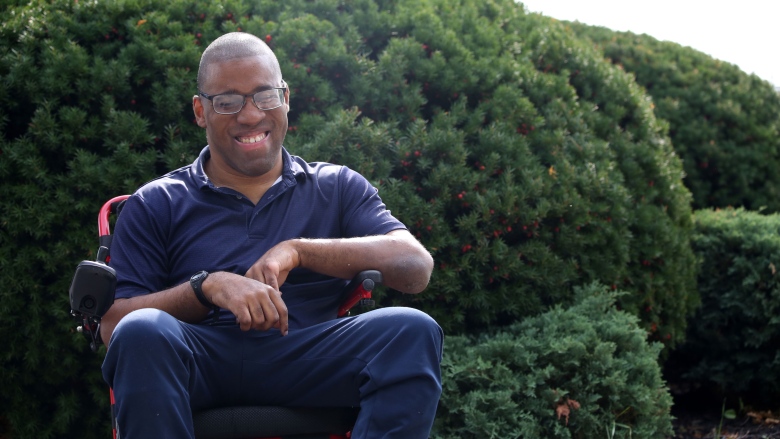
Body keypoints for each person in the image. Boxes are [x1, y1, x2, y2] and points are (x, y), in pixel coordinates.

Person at [100, 32, 443, 439]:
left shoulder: (336, 186)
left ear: (286, 97)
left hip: (308, 356)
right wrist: (207, 287)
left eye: (265, 95)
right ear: (200, 110)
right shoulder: (156, 202)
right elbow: (113, 327)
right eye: (227, 101)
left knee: (412, 330)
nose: (250, 116)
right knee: (142, 332)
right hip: (199, 359)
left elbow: (415, 268)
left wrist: (298, 251)